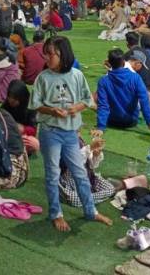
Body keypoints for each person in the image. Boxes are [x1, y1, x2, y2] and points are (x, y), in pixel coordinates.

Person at [30, 36, 112, 232]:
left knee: (80, 173)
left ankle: (90, 211)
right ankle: (56, 214)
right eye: (45, 54)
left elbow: (87, 99)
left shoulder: (77, 75)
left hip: (71, 134)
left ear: (63, 55)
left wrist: (77, 107)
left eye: (51, 54)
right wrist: (51, 111)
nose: (47, 57)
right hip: (50, 132)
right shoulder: (43, 77)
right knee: (52, 174)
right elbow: (35, 104)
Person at [95, 49, 150, 132]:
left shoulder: (103, 81)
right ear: (123, 62)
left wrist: (100, 127)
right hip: (130, 121)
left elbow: (103, 105)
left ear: (109, 63)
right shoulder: (135, 78)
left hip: (111, 121)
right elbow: (144, 100)